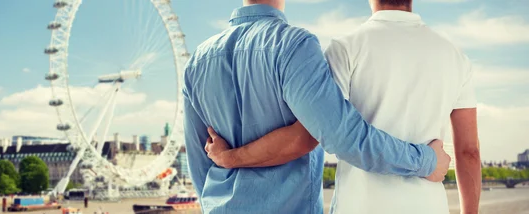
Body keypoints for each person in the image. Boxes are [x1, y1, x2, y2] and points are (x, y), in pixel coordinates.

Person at [204, 0, 481, 213]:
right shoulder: (456, 57)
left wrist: (232, 157)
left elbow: (309, 134)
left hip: (359, 205)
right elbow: (469, 152)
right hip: (427, 206)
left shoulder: (345, 48)